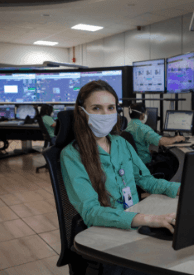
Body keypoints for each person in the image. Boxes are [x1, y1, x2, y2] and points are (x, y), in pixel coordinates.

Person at [60, 80, 180, 275]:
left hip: (136, 225)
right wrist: (148, 219)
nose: (106, 114)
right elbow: (91, 212)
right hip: (108, 235)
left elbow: (146, 180)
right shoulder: (72, 154)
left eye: (111, 108)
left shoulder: (121, 143)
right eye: (96, 108)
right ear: (82, 112)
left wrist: (181, 189)